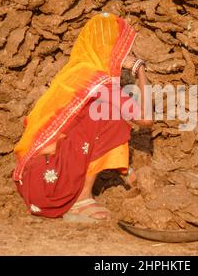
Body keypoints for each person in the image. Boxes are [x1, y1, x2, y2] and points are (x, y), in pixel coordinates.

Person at [12, 13, 153, 223]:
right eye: (122, 47)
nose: (127, 52)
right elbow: (145, 119)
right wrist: (139, 68)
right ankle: (81, 201)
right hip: (51, 189)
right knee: (111, 116)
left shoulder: (73, 73)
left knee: (97, 117)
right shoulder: (101, 83)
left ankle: (117, 179)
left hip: (33, 184)